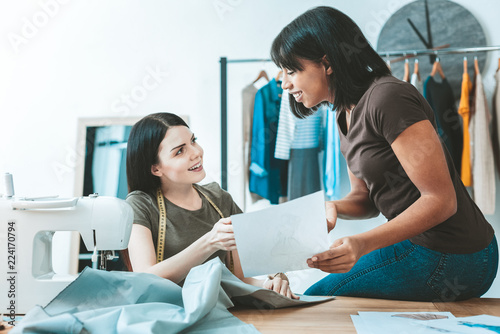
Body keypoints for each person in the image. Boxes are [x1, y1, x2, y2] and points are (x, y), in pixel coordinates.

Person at [270, 6, 498, 301]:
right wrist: (335, 207)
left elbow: (441, 201)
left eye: (291, 71)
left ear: (326, 63)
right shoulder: (342, 113)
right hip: (418, 245)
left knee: (316, 299)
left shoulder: (387, 98)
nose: (285, 83)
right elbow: (364, 200)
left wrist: (362, 244)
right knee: (318, 299)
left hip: (457, 255)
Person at [125, 112, 298, 299]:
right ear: (155, 168)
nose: (196, 152)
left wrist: (269, 284)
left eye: (193, 141)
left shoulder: (219, 199)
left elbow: (238, 280)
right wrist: (209, 242)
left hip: (219, 311)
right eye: (180, 151)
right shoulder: (140, 204)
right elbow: (145, 278)